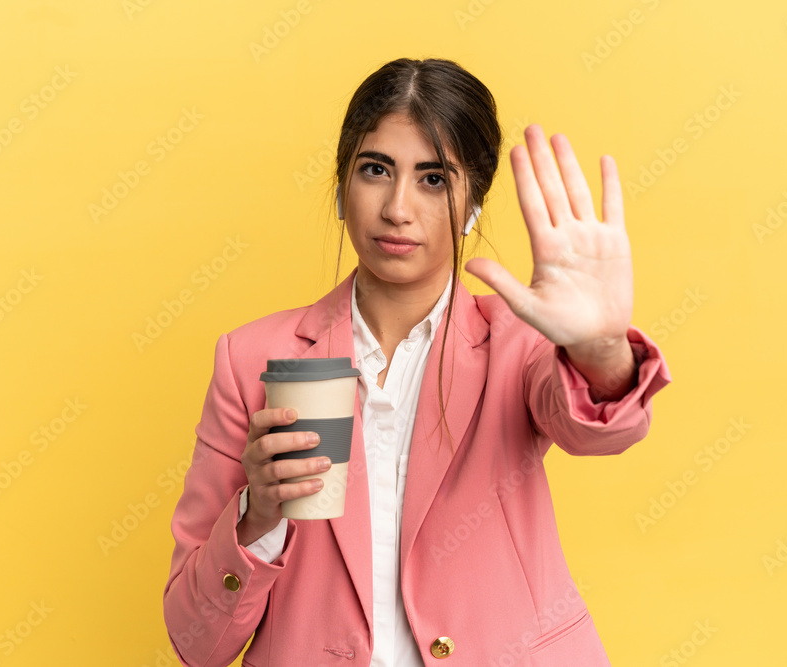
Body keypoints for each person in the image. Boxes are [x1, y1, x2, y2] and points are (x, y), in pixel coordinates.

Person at [163, 57, 671, 667]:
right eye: (375, 170)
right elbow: (195, 641)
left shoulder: (518, 343)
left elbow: (602, 429)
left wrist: (599, 347)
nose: (397, 208)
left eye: (433, 179)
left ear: (473, 203)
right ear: (341, 187)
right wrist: (255, 516)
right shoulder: (250, 360)